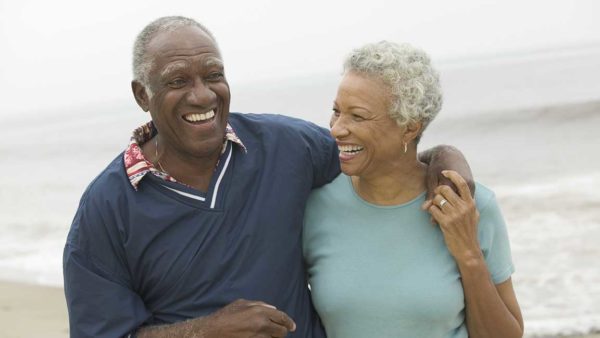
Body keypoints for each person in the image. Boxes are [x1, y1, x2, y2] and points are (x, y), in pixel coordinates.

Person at [63, 17, 473, 338]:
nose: (202, 94)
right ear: (142, 95)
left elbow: (378, 155)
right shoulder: (106, 208)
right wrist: (204, 332)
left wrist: (446, 160)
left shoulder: (285, 146)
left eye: (213, 75)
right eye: (177, 81)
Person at [303, 41, 524, 338]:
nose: (336, 129)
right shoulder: (314, 206)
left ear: (409, 128)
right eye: (336, 111)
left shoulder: (470, 205)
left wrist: (469, 254)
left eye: (357, 116)